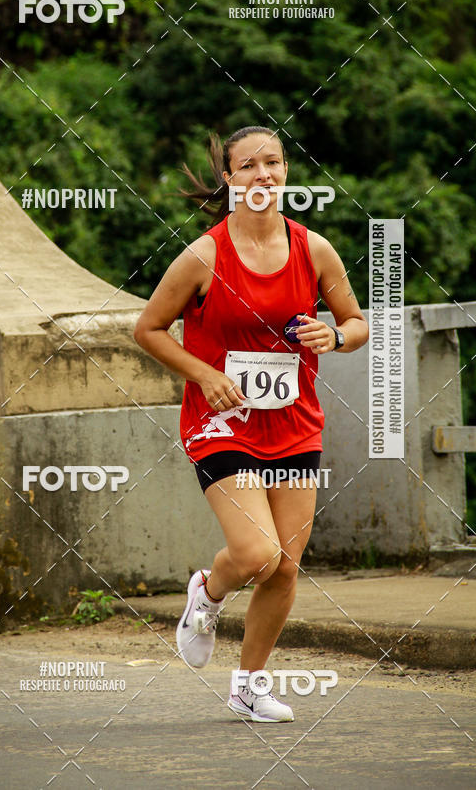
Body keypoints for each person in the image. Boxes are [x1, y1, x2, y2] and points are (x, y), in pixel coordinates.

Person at [133, 126, 368, 722]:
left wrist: (334, 336)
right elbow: (149, 330)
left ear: (286, 172)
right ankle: (208, 592)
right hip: (222, 423)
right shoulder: (204, 256)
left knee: (285, 566)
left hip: (294, 421)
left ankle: (249, 684)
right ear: (229, 179)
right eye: (249, 166)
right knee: (259, 552)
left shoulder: (314, 249)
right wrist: (203, 374)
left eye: (274, 163)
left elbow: (356, 322)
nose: (264, 175)